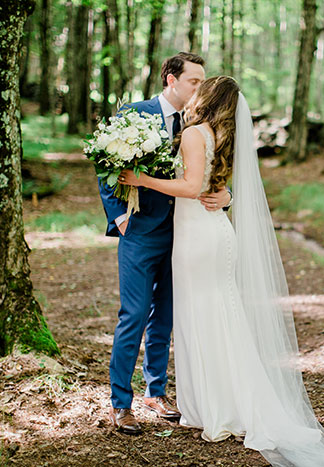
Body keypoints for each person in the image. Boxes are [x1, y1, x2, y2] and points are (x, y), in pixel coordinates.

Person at [119, 76, 324, 466]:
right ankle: (217, 404)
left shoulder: (196, 132)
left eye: (201, 88)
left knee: (205, 317)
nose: (194, 92)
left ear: (209, 97)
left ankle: (219, 409)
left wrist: (141, 179)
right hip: (212, 233)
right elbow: (214, 183)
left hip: (199, 237)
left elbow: (192, 185)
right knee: (217, 316)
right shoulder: (218, 134)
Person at [97, 52, 231, 435]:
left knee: (166, 319)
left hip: (187, 234)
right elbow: (103, 164)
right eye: (193, 81)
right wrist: (118, 217)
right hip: (140, 232)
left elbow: (212, 169)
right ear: (170, 80)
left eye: (203, 82)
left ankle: (156, 393)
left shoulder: (201, 122)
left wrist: (228, 197)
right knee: (134, 316)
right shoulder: (134, 115)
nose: (200, 88)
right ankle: (121, 403)